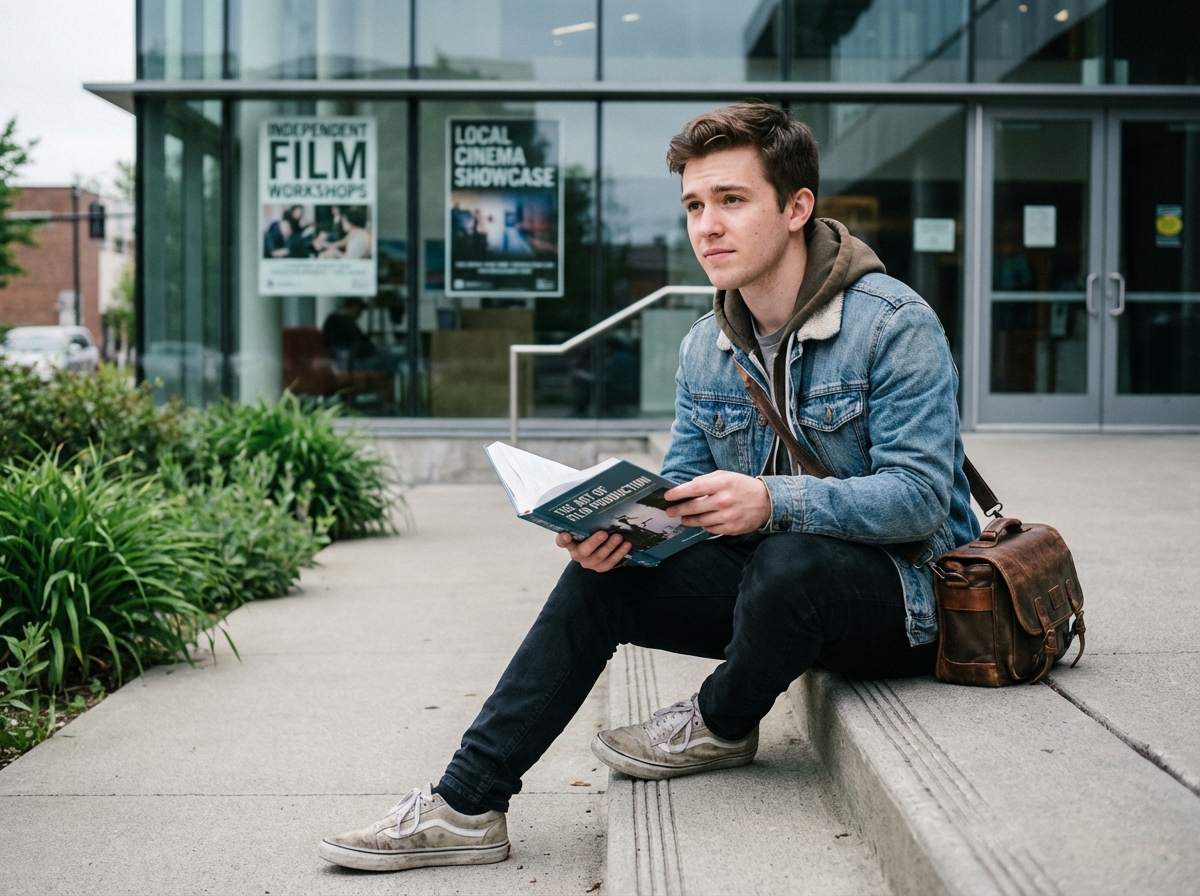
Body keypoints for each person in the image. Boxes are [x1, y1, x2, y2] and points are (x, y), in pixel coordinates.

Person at [318, 102, 980, 872]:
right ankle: (467, 803)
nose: (708, 226)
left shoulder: (892, 323)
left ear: (797, 208)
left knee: (787, 558)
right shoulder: (707, 347)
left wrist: (773, 502)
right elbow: (682, 496)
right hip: (777, 596)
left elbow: (922, 498)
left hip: (903, 599)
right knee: (598, 579)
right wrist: (621, 533)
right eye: (695, 206)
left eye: (732, 200)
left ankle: (720, 720)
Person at [321, 297, 377, 371]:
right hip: (349, 362)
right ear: (354, 307)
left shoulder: (343, 321)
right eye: (359, 310)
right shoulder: (339, 320)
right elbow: (356, 343)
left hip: (351, 359)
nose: (360, 314)